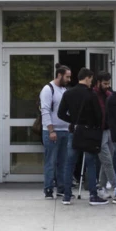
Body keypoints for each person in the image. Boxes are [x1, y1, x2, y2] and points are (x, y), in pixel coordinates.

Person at [61, 69, 108, 205]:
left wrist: (73, 121)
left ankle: (66, 196)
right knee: (91, 163)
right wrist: (94, 126)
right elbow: (98, 115)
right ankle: (93, 195)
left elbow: (60, 113)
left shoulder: (68, 93)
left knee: (70, 163)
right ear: (87, 78)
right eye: (91, 79)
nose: (91, 82)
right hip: (88, 132)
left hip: (74, 131)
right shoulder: (91, 94)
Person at [39, 64, 71, 199]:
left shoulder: (64, 90)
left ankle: (61, 188)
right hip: (52, 131)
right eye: (67, 77)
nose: (69, 80)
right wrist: (51, 130)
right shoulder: (48, 89)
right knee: (51, 161)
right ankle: (48, 189)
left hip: (65, 130)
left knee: (63, 162)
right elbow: (45, 110)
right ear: (59, 75)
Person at [93, 72, 116, 198]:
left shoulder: (109, 95)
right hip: (99, 131)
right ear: (98, 83)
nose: (107, 86)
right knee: (107, 160)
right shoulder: (93, 95)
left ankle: (101, 187)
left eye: (108, 83)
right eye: (105, 83)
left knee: (107, 161)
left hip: (109, 130)